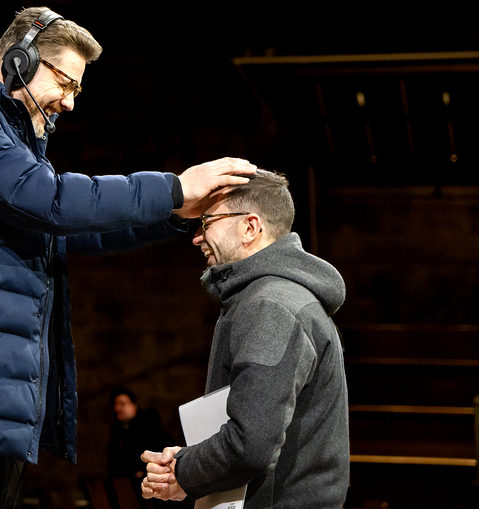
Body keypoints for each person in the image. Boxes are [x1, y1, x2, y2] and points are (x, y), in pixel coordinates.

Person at [0, 6, 256, 509]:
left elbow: (62, 231)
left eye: (77, 90)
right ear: (18, 61)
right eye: (65, 83)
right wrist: (173, 188)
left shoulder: (8, 145)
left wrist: (174, 214)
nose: (69, 102)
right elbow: (51, 200)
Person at [141, 170, 349, 509]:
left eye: (207, 222)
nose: (197, 237)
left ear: (250, 228)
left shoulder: (272, 306)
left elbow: (249, 446)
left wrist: (183, 470)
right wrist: (189, 473)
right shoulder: (274, 298)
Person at [107, 387, 173, 481]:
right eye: (115, 404)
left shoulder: (147, 421)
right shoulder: (117, 428)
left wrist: (141, 470)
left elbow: (154, 446)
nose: (117, 408)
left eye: (122, 404)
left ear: (133, 405)